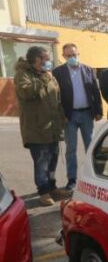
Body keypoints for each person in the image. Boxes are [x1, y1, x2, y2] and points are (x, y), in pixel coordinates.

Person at [14, 47, 72, 206]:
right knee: (42, 162)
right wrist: (45, 79)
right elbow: (27, 93)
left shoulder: (49, 75)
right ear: (36, 60)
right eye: (45, 58)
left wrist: (62, 116)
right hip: (36, 129)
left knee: (53, 160)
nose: (49, 61)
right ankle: (43, 192)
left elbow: (56, 98)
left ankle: (52, 187)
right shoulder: (23, 75)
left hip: (52, 127)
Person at [52, 43, 103, 190]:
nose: (72, 57)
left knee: (91, 146)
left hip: (87, 113)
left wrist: (98, 110)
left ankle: (93, 176)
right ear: (64, 56)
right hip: (69, 116)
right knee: (71, 149)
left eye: (74, 54)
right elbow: (56, 96)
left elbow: (95, 90)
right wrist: (61, 115)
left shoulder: (87, 69)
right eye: (69, 55)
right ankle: (72, 179)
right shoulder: (58, 72)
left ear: (78, 53)